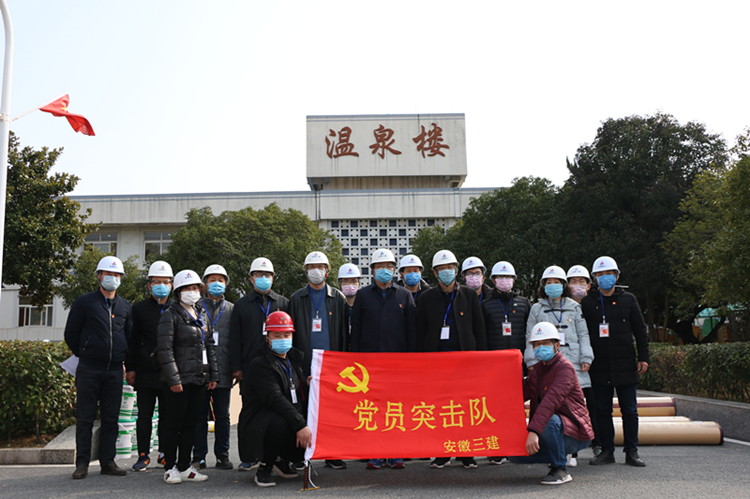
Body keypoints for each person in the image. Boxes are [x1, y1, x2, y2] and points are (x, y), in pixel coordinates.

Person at [416, 249, 486, 469]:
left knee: (465, 408)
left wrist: (482, 360)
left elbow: (479, 329)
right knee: (441, 409)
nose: (447, 271)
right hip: (437, 362)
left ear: (456, 270)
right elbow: (420, 332)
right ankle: (442, 452)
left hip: (464, 362)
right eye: (442, 269)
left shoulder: (468, 295)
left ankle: (466, 453)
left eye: (450, 267)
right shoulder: (426, 298)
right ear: (435, 273)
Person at [65, 256, 133, 479]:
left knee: (111, 418)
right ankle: (82, 463)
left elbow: (129, 336)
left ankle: (108, 461)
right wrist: (86, 352)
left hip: (114, 370)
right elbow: (71, 334)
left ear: (121, 278)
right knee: (85, 417)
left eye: (116, 275)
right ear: (98, 276)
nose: (113, 278)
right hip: (89, 368)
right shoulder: (84, 302)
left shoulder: (125, 306)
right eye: (108, 274)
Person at [350, 249, 417, 470]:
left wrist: (410, 361)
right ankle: (376, 452)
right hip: (370, 364)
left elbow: (411, 331)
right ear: (372, 271)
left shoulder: (404, 295)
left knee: (396, 408)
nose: (384, 270)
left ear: (394, 270)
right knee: (373, 408)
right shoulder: (363, 295)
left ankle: (396, 452)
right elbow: (356, 330)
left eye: (388, 266)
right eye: (380, 266)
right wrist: (355, 362)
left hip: (398, 363)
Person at [581, 256, 649, 467]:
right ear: (595, 278)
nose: (605, 278)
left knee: (630, 410)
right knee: (602, 411)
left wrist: (644, 357)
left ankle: (632, 451)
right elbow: (582, 333)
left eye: (609, 273)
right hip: (599, 366)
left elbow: (640, 330)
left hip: (626, 364)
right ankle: (606, 450)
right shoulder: (587, 302)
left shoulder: (628, 299)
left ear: (617, 276)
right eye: (600, 274)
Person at [524, 265, 594, 467]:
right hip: (545, 363)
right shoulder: (537, 308)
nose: (552, 286)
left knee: (570, 405)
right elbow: (530, 336)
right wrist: (531, 361)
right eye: (549, 282)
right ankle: (554, 449)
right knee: (548, 402)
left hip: (572, 360)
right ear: (543, 286)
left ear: (563, 285)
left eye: (556, 282)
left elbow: (583, 334)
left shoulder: (574, 307)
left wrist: (586, 357)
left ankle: (571, 453)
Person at [510, 322, 594, 485]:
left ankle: (560, 469)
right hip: (550, 429)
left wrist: (533, 431)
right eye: (537, 344)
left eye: (545, 343)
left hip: (574, 432)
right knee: (515, 456)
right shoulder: (537, 370)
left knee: (549, 420)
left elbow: (550, 401)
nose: (540, 348)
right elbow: (519, 395)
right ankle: (557, 453)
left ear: (557, 345)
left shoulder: (565, 368)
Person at [288, 251, 349, 470]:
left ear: (327, 271)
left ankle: (332, 454)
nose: (316, 271)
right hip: (304, 364)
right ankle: (301, 455)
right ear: (306, 271)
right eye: (312, 267)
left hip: (332, 365)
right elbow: (291, 336)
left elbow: (344, 333)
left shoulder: (337, 298)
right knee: (302, 410)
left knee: (332, 411)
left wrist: (342, 364)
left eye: (321, 267)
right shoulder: (296, 299)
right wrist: (296, 367)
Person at [157, 270, 219, 484]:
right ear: (178, 291)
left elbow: (209, 346)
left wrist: (213, 374)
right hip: (178, 382)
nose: (192, 292)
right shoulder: (170, 315)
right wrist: (174, 379)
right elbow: (164, 350)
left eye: (195, 288)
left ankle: (184, 466)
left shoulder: (201, 314)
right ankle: (170, 467)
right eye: (187, 288)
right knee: (173, 424)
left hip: (198, 379)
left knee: (191, 424)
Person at [237, 311, 311, 487]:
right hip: (261, 422)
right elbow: (275, 398)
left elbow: (296, 392)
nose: (282, 339)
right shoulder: (260, 364)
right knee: (280, 423)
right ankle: (265, 466)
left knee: (308, 422)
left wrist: (309, 385)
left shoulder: (293, 361)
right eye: (276, 335)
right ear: (267, 338)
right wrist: (300, 424)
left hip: (285, 416)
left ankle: (281, 459)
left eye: (286, 335)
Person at [229, 257, 289, 471]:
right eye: (259, 274)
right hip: (250, 368)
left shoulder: (283, 303)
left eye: (267, 275)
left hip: (277, 368)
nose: (263, 278)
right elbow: (235, 338)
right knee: (249, 413)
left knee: (278, 411)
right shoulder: (241, 305)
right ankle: (248, 457)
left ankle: (279, 456)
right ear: (251, 278)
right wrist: (236, 367)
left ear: (273, 278)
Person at [126, 260, 173, 472]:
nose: (161, 286)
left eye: (165, 282)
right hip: (145, 371)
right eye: (156, 282)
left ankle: (164, 454)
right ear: (149, 285)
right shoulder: (139, 309)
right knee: (144, 415)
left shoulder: (177, 308)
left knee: (167, 416)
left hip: (169, 372)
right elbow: (132, 340)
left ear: (172, 285)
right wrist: (131, 368)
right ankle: (143, 455)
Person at [192, 265, 235, 470]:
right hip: (200, 370)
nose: (216, 283)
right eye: (212, 279)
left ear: (226, 283)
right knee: (199, 415)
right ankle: (199, 455)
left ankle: (222, 455)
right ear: (205, 284)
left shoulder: (232, 309)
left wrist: (236, 367)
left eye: (221, 280)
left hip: (224, 370)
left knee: (223, 416)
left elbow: (237, 342)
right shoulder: (195, 307)